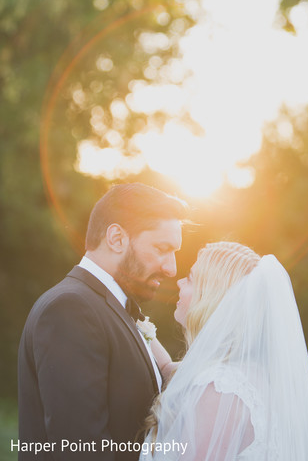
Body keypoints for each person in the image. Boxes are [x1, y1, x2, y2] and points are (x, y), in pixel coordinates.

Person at [18, 183, 187, 461]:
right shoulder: (70, 309)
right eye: (161, 248)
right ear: (116, 238)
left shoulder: (112, 306)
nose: (171, 268)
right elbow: (80, 450)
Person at [143, 242, 308, 460]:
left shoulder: (219, 388)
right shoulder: (248, 373)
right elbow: (168, 369)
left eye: (190, 279)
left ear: (211, 297)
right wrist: (139, 325)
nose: (179, 282)